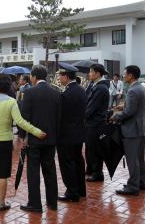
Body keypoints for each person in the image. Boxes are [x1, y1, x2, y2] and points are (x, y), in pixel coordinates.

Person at [0, 73, 46, 211]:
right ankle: (1, 202)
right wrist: (37, 131)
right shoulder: (11, 102)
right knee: (2, 174)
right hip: (4, 143)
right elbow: (20, 122)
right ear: (8, 86)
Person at [19, 65, 61, 213]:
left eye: (31, 75)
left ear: (34, 77)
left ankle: (35, 204)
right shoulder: (56, 93)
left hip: (35, 139)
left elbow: (25, 117)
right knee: (50, 170)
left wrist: (23, 137)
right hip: (51, 139)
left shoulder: (30, 93)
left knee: (33, 172)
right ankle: (52, 202)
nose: (30, 78)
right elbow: (59, 118)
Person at [111, 65, 145, 195]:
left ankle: (133, 186)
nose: (123, 76)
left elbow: (129, 112)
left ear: (131, 75)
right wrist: (124, 105)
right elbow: (135, 107)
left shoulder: (132, 90)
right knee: (139, 158)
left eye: (125, 74)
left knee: (132, 159)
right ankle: (141, 182)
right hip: (140, 127)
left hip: (131, 130)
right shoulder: (141, 88)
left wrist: (115, 117)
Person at [56, 64, 87, 202]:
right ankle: (80, 190)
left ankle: (72, 192)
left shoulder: (67, 93)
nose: (59, 78)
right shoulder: (81, 90)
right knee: (78, 161)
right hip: (78, 133)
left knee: (67, 163)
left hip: (66, 135)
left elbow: (61, 115)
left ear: (66, 77)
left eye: (60, 76)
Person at [85, 63, 110, 182]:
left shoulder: (101, 88)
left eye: (91, 72)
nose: (89, 74)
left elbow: (91, 107)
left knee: (96, 148)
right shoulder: (93, 85)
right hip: (91, 123)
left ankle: (97, 173)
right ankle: (90, 169)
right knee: (90, 148)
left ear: (98, 74)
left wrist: (82, 116)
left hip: (96, 123)